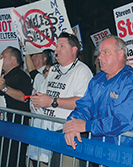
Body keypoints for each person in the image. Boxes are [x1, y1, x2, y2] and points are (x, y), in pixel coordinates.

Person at [64, 35, 133, 150]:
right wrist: (71, 125)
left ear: (120, 54)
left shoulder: (131, 81)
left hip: (125, 152)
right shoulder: (97, 80)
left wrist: (87, 125)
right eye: (99, 53)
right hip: (99, 150)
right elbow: (84, 107)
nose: (100, 57)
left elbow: (123, 120)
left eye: (106, 52)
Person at [27, 32, 92, 166]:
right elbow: (44, 94)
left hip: (67, 135)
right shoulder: (53, 70)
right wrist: (38, 102)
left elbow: (82, 102)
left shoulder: (82, 71)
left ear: (74, 50)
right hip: (46, 132)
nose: (56, 50)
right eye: (56, 46)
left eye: (61, 46)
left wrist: (52, 101)